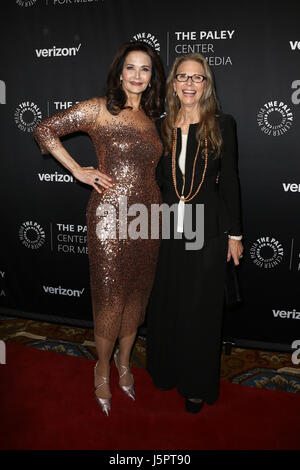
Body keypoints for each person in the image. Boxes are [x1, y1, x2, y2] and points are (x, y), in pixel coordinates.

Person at [33, 41, 165, 416]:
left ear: (152, 77)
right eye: (130, 68)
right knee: (110, 297)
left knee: (138, 294)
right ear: (119, 72)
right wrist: (77, 169)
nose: (137, 76)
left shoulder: (153, 119)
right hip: (109, 214)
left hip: (149, 216)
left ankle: (125, 363)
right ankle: (102, 368)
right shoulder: (99, 109)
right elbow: (45, 129)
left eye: (145, 69)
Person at [146, 53, 243, 414]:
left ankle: (196, 384)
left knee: (201, 309)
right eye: (182, 77)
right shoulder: (160, 125)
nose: (189, 84)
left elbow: (230, 180)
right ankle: (167, 369)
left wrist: (235, 233)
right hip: (168, 227)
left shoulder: (223, 124)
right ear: (173, 84)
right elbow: (151, 180)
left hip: (209, 228)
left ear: (206, 84)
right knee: (169, 301)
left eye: (197, 78)